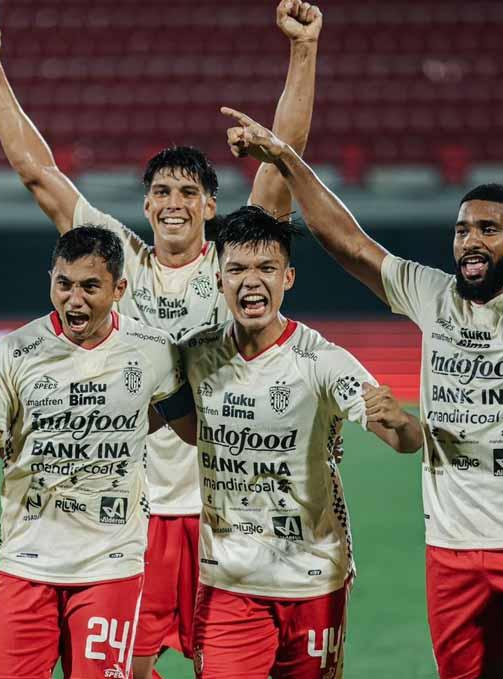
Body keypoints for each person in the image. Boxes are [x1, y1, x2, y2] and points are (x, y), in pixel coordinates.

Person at [221, 107, 503, 678]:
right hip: (451, 551)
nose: (470, 241)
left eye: (488, 229)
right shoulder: (434, 297)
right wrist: (284, 158)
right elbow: (348, 243)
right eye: (461, 230)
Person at [0, 3, 323, 674]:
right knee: (127, 667)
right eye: (161, 190)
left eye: (189, 190)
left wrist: (302, 53)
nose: (174, 201)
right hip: (141, 515)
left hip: (229, 504)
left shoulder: (233, 263)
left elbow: (282, 167)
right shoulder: (119, 259)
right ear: (147, 203)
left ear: (212, 206)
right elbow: (39, 173)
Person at [0, 226, 198, 679]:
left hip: (110, 563)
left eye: (90, 286)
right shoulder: (16, 351)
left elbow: (191, 428)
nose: (74, 299)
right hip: (27, 560)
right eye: (64, 284)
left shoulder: (151, 351)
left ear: (118, 289)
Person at [180, 205, 423, 678]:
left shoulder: (322, 360)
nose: (252, 281)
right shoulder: (194, 354)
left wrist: (400, 420)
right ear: (218, 279)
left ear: (287, 277)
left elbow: (404, 441)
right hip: (228, 581)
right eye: (238, 269)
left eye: (266, 268)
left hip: (312, 578)